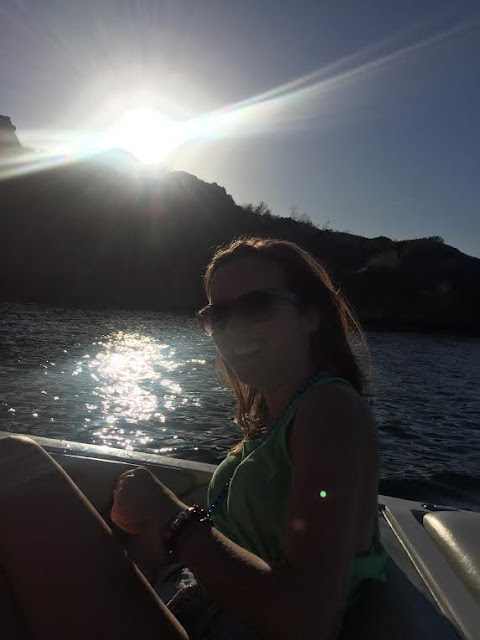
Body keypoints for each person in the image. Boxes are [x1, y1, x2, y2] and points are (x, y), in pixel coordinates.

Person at [0, 236, 386, 640]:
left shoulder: (331, 408)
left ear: (311, 316)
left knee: (14, 464)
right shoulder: (270, 428)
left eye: (258, 305)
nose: (233, 326)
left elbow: (306, 623)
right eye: (219, 314)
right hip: (194, 604)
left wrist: (171, 517)